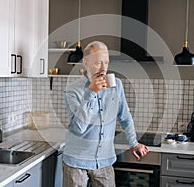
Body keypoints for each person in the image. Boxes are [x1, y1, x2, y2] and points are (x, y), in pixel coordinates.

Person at [63, 41, 149, 187]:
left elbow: (125, 117)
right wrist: (90, 93)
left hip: (104, 161)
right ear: (85, 63)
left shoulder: (116, 85)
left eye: (106, 62)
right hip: (76, 162)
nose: (103, 68)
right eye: (98, 63)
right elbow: (78, 128)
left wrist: (134, 143)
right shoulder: (72, 91)